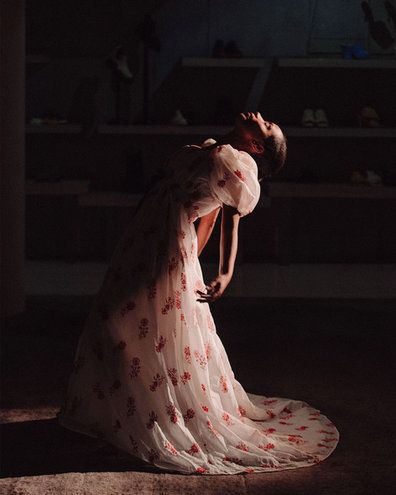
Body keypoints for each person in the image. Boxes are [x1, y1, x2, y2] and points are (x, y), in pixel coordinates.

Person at [58, 112, 338, 474]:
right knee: (114, 321)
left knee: (128, 325)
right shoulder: (217, 150)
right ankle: (122, 412)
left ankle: (153, 415)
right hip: (147, 236)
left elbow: (224, 216)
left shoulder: (235, 164)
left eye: (266, 126)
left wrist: (224, 272)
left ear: (256, 146)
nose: (261, 117)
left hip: (165, 246)